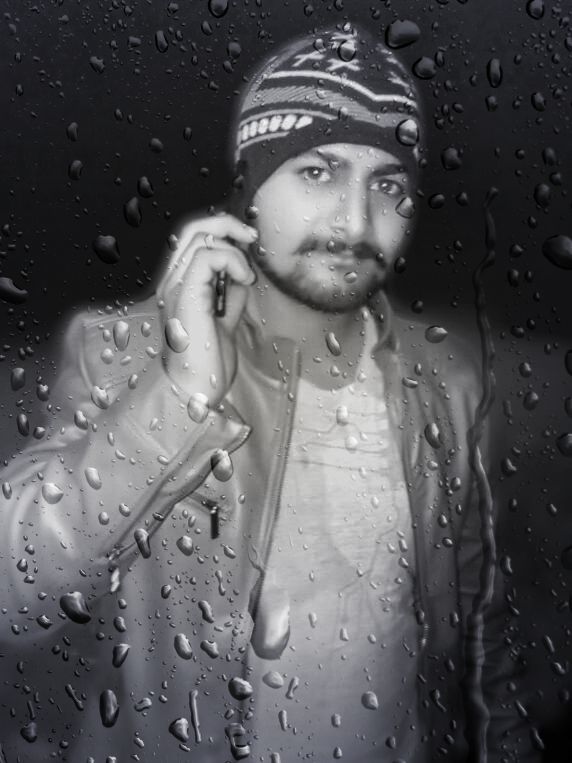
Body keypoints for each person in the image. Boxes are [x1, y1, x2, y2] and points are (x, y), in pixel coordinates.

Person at [0, 24, 538, 763]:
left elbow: (477, 615)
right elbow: (16, 590)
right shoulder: (124, 355)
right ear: (251, 189)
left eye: (388, 186)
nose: (355, 222)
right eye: (317, 172)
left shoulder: (445, 380)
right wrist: (181, 391)